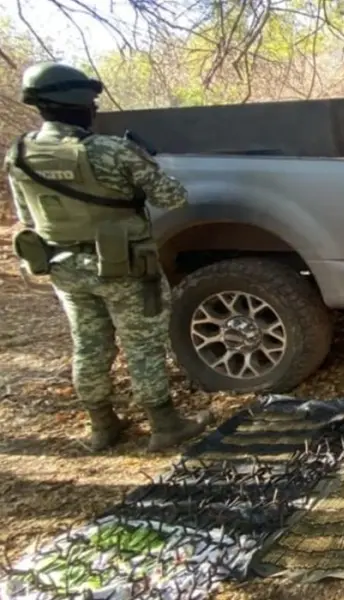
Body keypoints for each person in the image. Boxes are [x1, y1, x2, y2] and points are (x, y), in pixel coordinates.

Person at [4, 62, 212, 452]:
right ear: (82, 105)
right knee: (143, 343)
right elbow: (173, 197)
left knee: (88, 344)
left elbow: (29, 218)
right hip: (124, 266)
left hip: (63, 266)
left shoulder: (19, 154)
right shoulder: (113, 150)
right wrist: (147, 161)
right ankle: (164, 424)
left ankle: (102, 425)